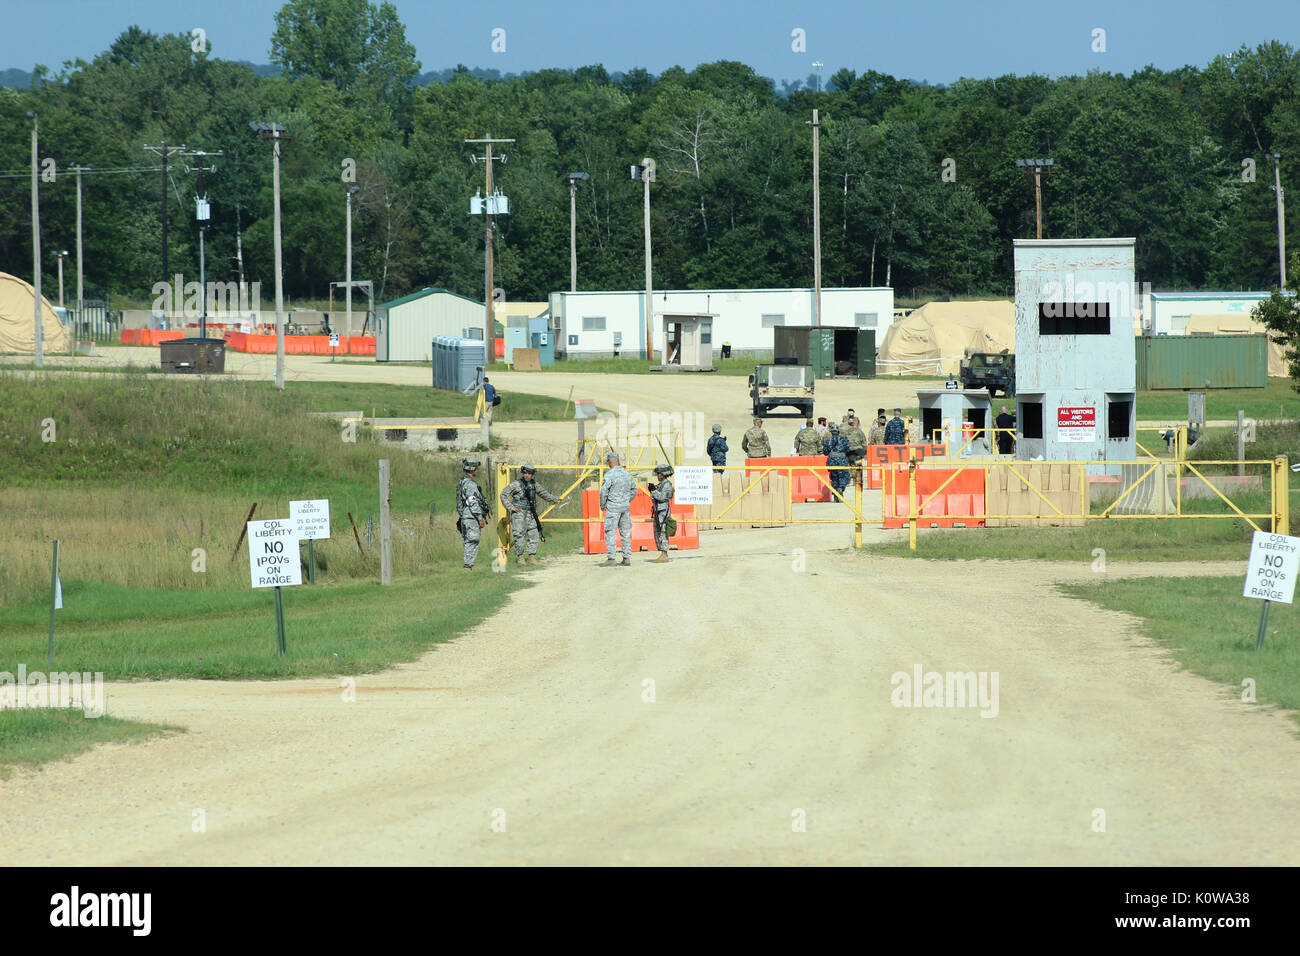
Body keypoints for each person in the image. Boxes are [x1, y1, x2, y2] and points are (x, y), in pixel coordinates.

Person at [500, 463, 560, 565]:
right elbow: (503, 494)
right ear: (523, 473)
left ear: (532, 474)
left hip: (531, 513)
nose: (527, 475)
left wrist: (556, 499)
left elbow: (544, 494)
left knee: (534, 534)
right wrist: (511, 508)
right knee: (519, 534)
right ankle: (521, 558)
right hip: (519, 513)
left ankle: (532, 558)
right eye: (525, 473)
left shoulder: (534, 484)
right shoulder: (516, 484)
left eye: (529, 473)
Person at [599, 451, 636, 567]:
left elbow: (604, 492)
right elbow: (634, 489)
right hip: (625, 507)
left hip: (613, 507)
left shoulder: (609, 475)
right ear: (618, 461)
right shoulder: (626, 474)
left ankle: (611, 558)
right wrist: (626, 500)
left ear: (609, 462)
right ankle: (626, 558)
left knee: (610, 531)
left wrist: (603, 505)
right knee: (625, 532)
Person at [456, 457, 489, 570]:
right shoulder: (470, 484)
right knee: (472, 541)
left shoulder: (461, 483)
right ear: (472, 469)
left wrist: (461, 516)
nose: (477, 471)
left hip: (465, 516)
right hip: (471, 517)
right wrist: (480, 518)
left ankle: (467, 566)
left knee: (468, 541)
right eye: (476, 468)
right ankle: (467, 566)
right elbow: (472, 502)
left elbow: (459, 503)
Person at [648, 464, 675, 563]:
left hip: (663, 512)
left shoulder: (667, 485)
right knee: (658, 532)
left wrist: (654, 491)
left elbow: (662, 497)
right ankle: (662, 553)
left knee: (663, 532)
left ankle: (664, 554)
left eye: (659, 474)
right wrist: (653, 490)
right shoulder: (662, 484)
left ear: (664, 474)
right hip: (658, 511)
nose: (658, 476)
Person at [823, 424, 852, 498]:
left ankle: (835, 491)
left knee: (834, 477)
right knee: (844, 476)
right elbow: (848, 450)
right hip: (841, 461)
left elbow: (825, 452)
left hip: (832, 461)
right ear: (838, 432)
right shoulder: (843, 440)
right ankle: (840, 489)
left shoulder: (828, 441)